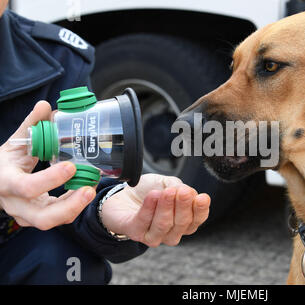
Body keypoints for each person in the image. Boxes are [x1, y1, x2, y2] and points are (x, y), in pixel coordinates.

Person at [0, 1, 210, 284]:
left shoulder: (57, 59)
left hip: (12, 241)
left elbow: (73, 183)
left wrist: (108, 205)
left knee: (64, 262)